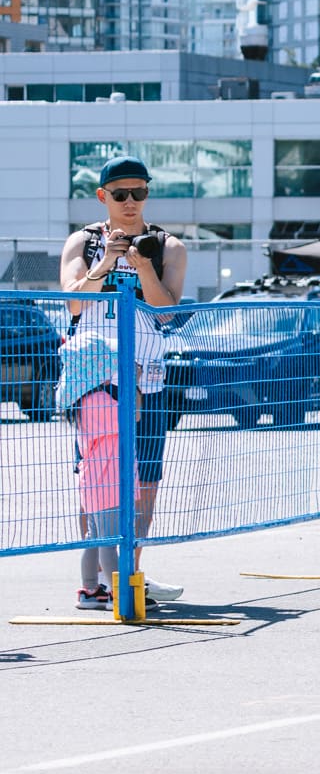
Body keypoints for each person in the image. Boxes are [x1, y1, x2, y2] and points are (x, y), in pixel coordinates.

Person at [57, 155, 188, 610]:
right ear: (103, 197)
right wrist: (107, 262)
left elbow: (166, 309)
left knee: (143, 487)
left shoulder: (167, 245)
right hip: (95, 381)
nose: (130, 203)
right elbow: (73, 304)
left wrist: (143, 266)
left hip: (147, 377)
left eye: (140, 193)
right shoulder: (85, 241)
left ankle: (128, 575)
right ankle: (97, 582)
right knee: (97, 481)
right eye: (121, 194)